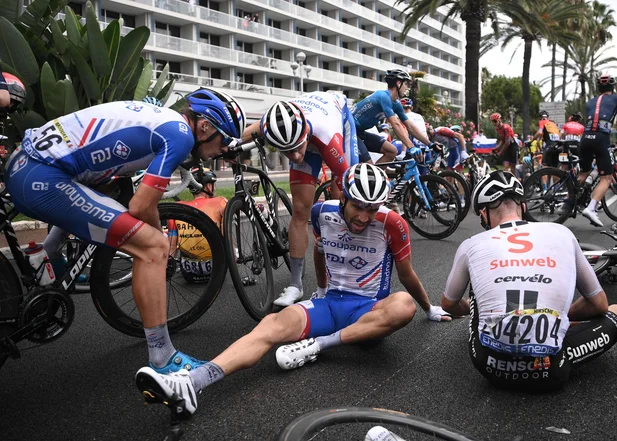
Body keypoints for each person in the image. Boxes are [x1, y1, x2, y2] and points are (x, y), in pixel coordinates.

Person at [135, 163, 452, 419]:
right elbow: (319, 252)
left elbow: (407, 274)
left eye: (373, 208)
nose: (365, 217)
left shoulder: (392, 223)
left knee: (403, 306)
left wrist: (429, 309)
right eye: (359, 207)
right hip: (330, 306)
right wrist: (322, 290)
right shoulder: (321, 213)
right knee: (272, 324)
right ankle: (193, 382)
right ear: (343, 197)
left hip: (368, 311)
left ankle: (319, 345)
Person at [5, 87, 245, 374]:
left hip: (23, 163)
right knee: (152, 247)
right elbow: (142, 206)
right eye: (224, 140)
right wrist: (163, 241)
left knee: (107, 190)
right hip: (42, 176)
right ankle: (163, 358)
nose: (222, 150)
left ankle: (49, 257)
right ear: (204, 127)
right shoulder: (180, 135)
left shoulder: (160, 117)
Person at [440, 170, 617, 392]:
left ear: (484, 213)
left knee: (477, 280)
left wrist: (479, 310)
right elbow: (599, 304)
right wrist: (555, 316)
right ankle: (547, 330)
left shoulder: (471, 244)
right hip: (552, 369)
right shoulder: (562, 232)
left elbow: (448, 305)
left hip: (489, 365)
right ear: (523, 207)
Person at [240, 91, 360, 307]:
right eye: (287, 152)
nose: (295, 157)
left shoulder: (326, 132)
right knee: (300, 211)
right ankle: (296, 285)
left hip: (336, 119)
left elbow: (348, 186)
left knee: (346, 198)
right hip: (304, 129)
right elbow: (239, 138)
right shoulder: (271, 123)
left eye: (296, 149)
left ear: (304, 134)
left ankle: (348, 271)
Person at [579, 74, 617, 227]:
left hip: (585, 137)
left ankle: (567, 203)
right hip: (601, 138)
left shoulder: (591, 101)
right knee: (607, 178)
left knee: (583, 174)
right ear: (613, 87)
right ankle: (591, 209)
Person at [352, 69, 432, 164]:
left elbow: (409, 126)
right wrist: (411, 147)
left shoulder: (396, 104)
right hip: (349, 131)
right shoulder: (383, 96)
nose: (406, 88)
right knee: (369, 167)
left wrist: (430, 144)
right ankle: (372, 177)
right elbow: (396, 124)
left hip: (360, 132)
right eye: (405, 84)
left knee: (392, 151)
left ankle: (377, 177)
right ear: (398, 83)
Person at [171, 168, 227, 284]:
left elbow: (171, 246)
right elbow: (226, 238)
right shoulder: (220, 202)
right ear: (208, 187)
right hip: (216, 272)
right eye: (213, 185)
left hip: (188, 273)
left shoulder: (178, 207)